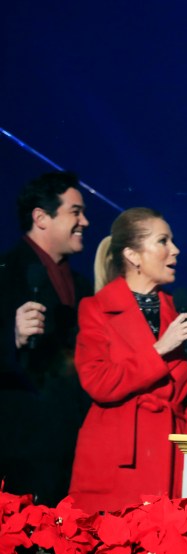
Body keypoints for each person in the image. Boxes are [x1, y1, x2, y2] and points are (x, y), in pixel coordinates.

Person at [68, 207, 187, 513]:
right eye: (163, 241)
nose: (175, 250)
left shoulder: (184, 314)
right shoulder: (96, 309)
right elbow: (98, 382)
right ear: (133, 255)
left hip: (172, 459)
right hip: (117, 459)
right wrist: (159, 349)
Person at [0, 172, 92, 506]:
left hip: (71, 448)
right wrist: (11, 338)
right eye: (75, 212)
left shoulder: (83, 286)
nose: (85, 221)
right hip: (17, 450)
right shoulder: (6, 273)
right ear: (40, 217)